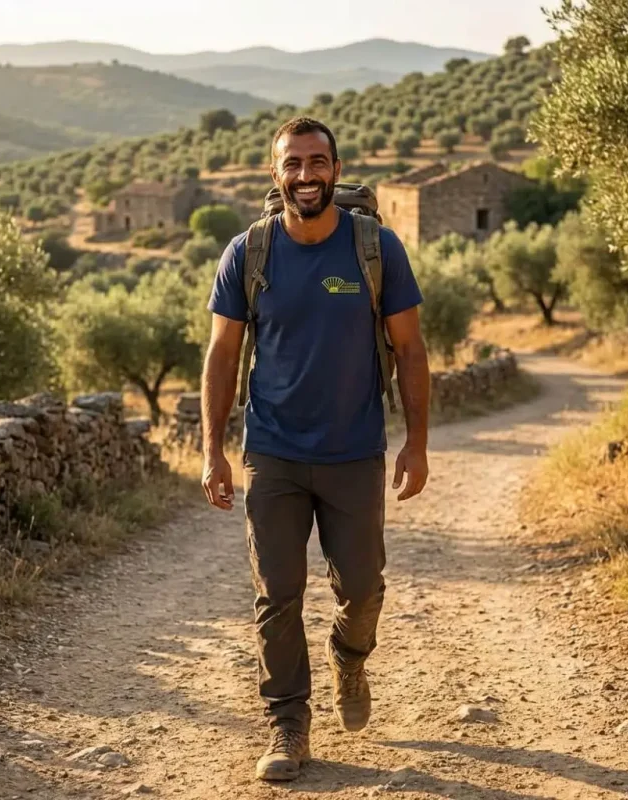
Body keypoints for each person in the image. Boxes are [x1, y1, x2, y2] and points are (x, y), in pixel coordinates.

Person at [201, 116, 430, 782]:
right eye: (293, 164)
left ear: (336, 167)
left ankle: (350, 657)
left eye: (317, 162)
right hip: (271, 450)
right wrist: (212, 449)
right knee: (277, 594)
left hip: (354, 450)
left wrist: (416, 444)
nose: (306, 175)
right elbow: (222, 354)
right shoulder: (249, 253)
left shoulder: (376, 248)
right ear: (276, 175)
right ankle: (287, 724)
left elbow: (411, 349)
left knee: (362, 590)